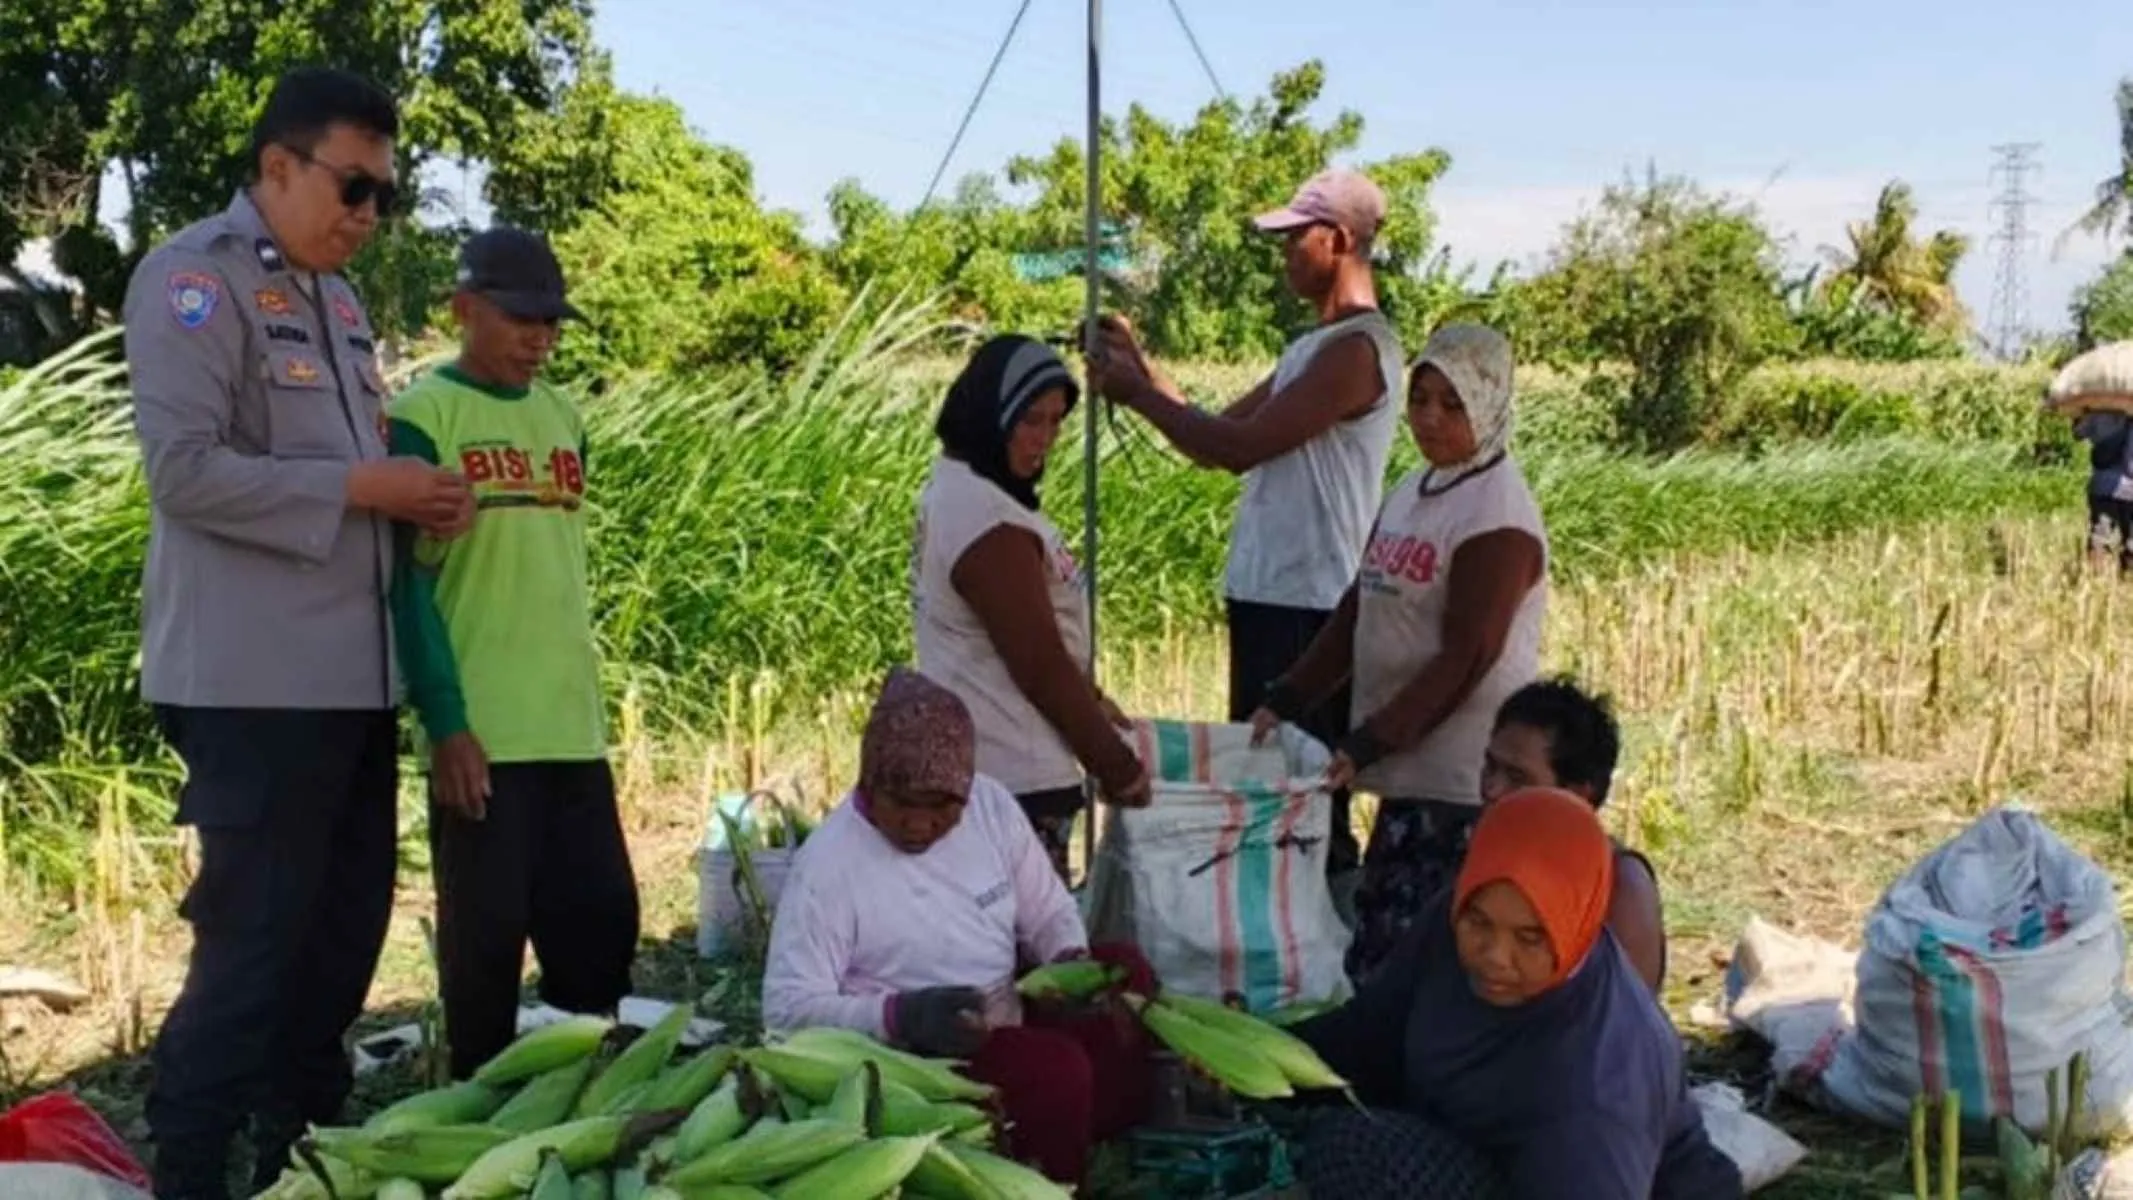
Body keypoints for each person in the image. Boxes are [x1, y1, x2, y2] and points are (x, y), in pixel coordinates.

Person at [123, 67, 475, 1199]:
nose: (369, 216)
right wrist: (368, 487)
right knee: (253, 948)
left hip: (350, 687)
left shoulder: (340, 305)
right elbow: (184, 474)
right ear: (278, 166)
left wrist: (413, 501)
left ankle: (300, 1164)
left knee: (338, 951)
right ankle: (190, 1165)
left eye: (387, 195)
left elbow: (343, 478)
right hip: (253, 686)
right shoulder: (193, 282)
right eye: (353, 186)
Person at [1089, 167, 1407, 885]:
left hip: (1311, 603)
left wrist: (1136, 393)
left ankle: (1326, 936)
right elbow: (1221, 429)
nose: (1285, 253)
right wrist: (1142, 370)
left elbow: (1234, 450)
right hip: (1272, 592)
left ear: (1338, 239)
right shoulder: (1314, 348)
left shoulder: (1357, 352)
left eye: (1295, 238)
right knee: (1271, 786)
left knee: (1304, 797)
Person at [386, 227, 641, 1081]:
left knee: (600, 923)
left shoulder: (564, 418)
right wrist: (446, 722)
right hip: (484, 731)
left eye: (551, 322)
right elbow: (406, 585)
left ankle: (587, 1094)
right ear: (464, 311)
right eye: (520, 318)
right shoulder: (423, 419)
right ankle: (481, 1103)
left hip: (570, 722)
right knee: (484, 948)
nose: (540, 337)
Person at [762, 668, 1158, 1186]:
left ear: (966, 791)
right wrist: (899, 1015)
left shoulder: (991, 808)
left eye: (941, 808)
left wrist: (1068, 963)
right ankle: (1054, 1181)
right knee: (1055, 1071)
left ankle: (1096, 1139)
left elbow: (1050, 912)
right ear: (869, 784)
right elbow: (785, 1014)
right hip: (916, 1055)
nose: (918, 824)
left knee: (1126, 976)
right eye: (901, 805)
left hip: (1004, 1005)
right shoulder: (828, 866)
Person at [1252, 323, 1547, 984]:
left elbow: (1465, 656)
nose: (1429, 419)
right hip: (1405, 771)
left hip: (1459, 782)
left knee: (1426, 955)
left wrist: (1365, 743)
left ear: (1491, 405)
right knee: (1381, 946)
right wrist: (1289, 696)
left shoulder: (1495, 516)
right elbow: (1361, 606)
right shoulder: (1416, 489)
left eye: (1453, 404)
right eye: (1420, 400)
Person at [1288, 789, 1743, 1200]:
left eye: (1530, 938)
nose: (1495, 957)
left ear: (1576, 924)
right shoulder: (1451, 923)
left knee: (1362, 1152)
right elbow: (1366, 1039)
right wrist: (1257, 1066)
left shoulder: (1596, 1088)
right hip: (1475, 1152)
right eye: (1479, 923)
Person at [914, 334, 1149, 876]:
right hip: (1014, 778)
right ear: (992, 416)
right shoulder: (987, 520)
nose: (1044, 439)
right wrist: (1116, 767)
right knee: (1026, 948)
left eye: (1055, 421)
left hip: (996, 763)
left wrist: (1090, 696)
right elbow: (1038, 665)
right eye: (1030, 421)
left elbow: (1026, 636)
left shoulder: (966, 489)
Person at [1480, 677, 1666, 994]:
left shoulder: (1621, 887)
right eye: (1490, 767)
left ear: (1578, 794)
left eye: (1517, 777)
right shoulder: (1485, 858)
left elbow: (1624, 1028)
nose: (1492, 789)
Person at [2074, 410, 2133, 573]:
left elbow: (2078, 433)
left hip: (2102, 487)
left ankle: (2095, 581)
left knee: (2100, 536)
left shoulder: (2097, 411)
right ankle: (2127, 584)